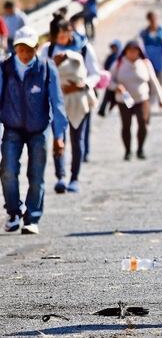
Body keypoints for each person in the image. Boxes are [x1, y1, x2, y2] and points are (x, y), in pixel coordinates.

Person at [0, 27, 67, 235]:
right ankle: (13, 212)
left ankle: (32, 217)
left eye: (30, 49)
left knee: (36, 175)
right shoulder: (5, 69)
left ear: (36, 48)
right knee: (8, 171)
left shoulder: (46, 68)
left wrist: (59, 136)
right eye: (21, 49)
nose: (26, 54)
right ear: (15, 49)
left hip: (39, 130)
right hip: (12, 128)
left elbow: (57, 104)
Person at [40, 16, 100, 194]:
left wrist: (83, 85)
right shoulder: (48, 50)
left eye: (64, 35)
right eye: (57, 36)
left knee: (77, 138)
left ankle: (75, 177)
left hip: (79, 99)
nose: (61, 39)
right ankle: (61, 176)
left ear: (70, 32)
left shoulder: (84, 48)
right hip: (57, 100)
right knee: (59, 138)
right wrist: (52, 65)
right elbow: (40, 72)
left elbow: (95, 73)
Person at [111, 40, 162, 160]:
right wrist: (116, 87)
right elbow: (109, 80)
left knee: (143, 123)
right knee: (126, 125)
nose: (132, 53)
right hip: (124, 100)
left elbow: (154, 81)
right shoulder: (119, 63)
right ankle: (127, 151)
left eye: (135, 51)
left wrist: (161, 98)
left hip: (142, 99)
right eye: (130, 51)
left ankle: (140, 149)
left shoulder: (145, 63)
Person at [140, 12, 162, 99]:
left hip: (160, 58)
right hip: (149, 58)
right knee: (150, 78)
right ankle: (150, 97)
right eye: (151, 19)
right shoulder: (144, 32)